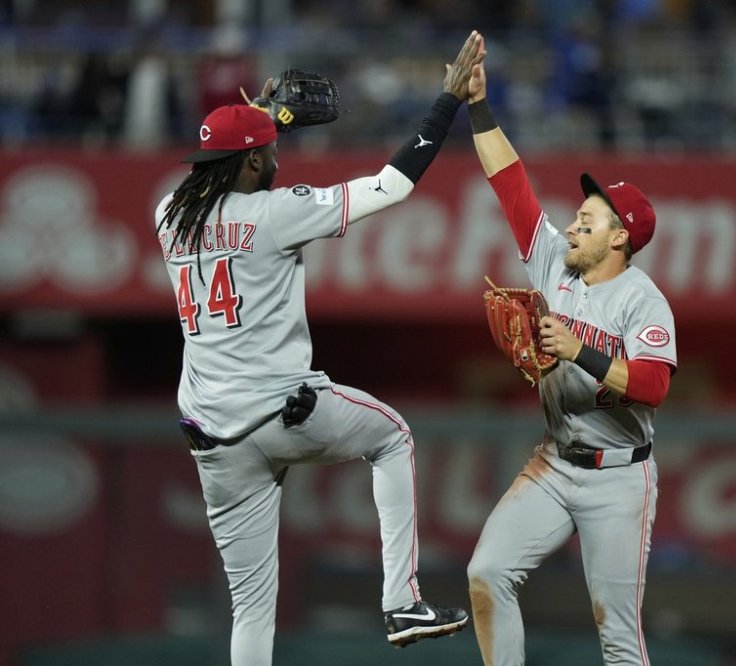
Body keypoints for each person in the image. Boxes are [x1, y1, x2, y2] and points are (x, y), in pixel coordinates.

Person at [154, 31, 484, 666]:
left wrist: (264, 122)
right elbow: (393, 185)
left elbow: (231, 171)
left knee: (251, 606)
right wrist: (446, 102)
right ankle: (402, 601)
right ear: (252, 163)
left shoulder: (169, 213)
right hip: (285, 413)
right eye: (270, 149)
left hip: (214, 441)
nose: (277, 153)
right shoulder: (277, 213)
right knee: (394, 438)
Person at [463, 40, 677, 665]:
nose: (575, 224)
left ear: (621, 237)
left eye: (590, 218)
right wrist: (478, 107)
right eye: (580, 215)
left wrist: (579, 352)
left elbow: (656, 387)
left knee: (618, 640)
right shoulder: (555, 262)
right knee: (487, 571)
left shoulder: (645, 302)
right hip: (556, 463)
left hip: (620, 478)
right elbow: (510, 184)